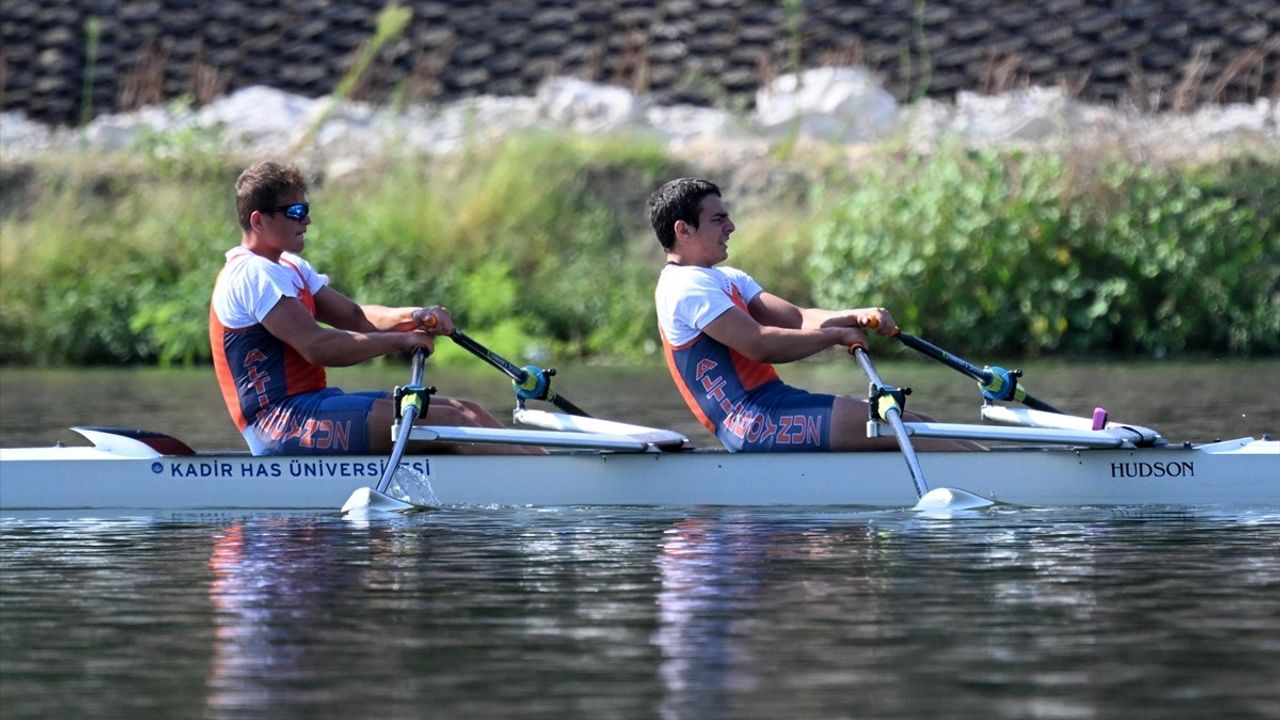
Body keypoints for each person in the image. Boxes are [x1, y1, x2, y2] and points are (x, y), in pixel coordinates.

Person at [210, 160, 514, 455]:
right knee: (452, 422)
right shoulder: (251, 274)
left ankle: (544, 475)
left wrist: (415, 317)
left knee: (466, 410)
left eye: (306, 209)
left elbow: (355, 316)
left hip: (313, 406)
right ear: (258, 220)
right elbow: (318, 347)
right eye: (295, 211)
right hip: (279, 424)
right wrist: (401, 340)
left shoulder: (289, 266)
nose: (307, 220)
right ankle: (542, 487)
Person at [650, 177, 974, 453]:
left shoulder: (727, 278)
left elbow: (798, 319)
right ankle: (999, 491)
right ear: (684, 230)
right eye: (718, 219)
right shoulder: (684, 286)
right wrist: (835, 336)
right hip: (752, 421)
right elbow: (759, 344)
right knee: (902, 426)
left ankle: (1002, 472)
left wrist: (856, 316)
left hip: (777, 404)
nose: (731, 227)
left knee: (922, 424)